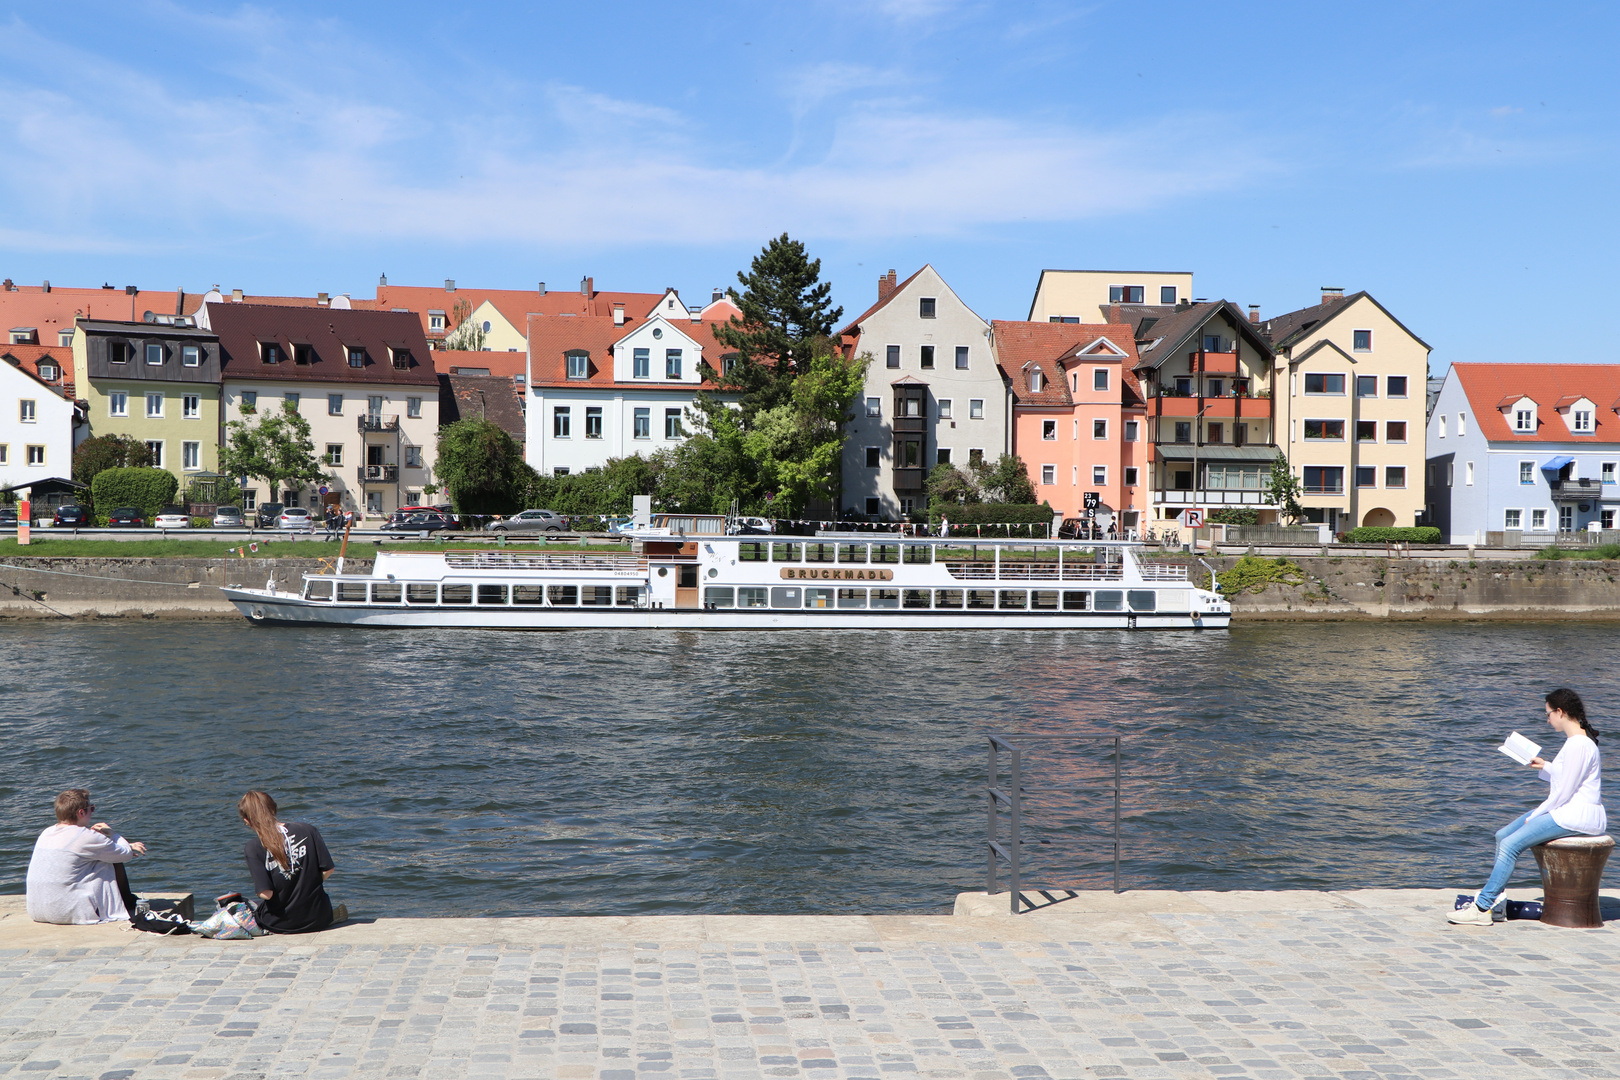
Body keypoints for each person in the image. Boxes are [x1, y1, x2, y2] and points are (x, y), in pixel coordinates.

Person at [1450, 688, 1606, 925]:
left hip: (1575, 815)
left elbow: (1565, 791)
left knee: (1511, 845)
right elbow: (1570, 777)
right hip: (1569, 811)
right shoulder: (1577, 743)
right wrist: (1546, 766)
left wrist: (1537, 814)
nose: (1547, 719)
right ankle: (1497, 904)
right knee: (1503, 835)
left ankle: (1482, 908)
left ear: (1560, 712)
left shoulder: (1578, 745)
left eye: (1548, 714)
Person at [25, 789, 148, 924]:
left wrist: (117, 845)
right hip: (67, 911)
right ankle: (128, 902)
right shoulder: (86, 836)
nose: (92, 812)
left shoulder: (47, 832)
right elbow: (124, 855)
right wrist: (113, 835)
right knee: (109, 859)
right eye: (92, 809)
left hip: (37, 911)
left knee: (103, 854)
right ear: (81, 812)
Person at [239, 790, 344, 933]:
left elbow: (266, 894)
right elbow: (328, 869)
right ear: (274, 809)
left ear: (247, 820)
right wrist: (308, 884)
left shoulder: (254, 847)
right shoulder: (308, 830)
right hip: (319, 917)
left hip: (281, 923)